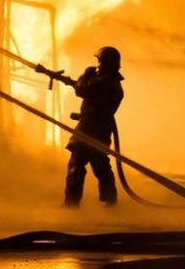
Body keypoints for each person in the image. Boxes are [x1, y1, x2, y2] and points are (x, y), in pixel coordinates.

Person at [39, 47, 124, 207]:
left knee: (87, 166)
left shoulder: (107, 83)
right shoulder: (109, 81)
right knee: (93, 166)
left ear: (107, 63)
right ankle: (107, 201)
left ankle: (75, 203)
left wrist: (86, 74)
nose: (97, 65)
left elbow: (83, 90)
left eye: (100, 61)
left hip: (93, 129)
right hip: (94, 128)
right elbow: (92, 98)